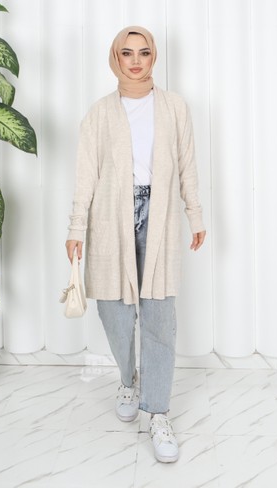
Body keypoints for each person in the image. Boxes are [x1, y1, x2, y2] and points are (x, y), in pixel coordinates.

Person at [65, 25, 206, 463]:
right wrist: (76, 228)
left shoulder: (174, 107)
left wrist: (195, 213)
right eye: (127, 53)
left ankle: (158, 413)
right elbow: (86, 175)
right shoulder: (99, 114)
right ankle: (128, 380)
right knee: (115, 312)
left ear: (153, 57)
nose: (136, 61)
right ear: (115, 58)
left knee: (160, 316)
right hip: (111, 218)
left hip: (159, 217)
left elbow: (186, 165)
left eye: (143, 52)